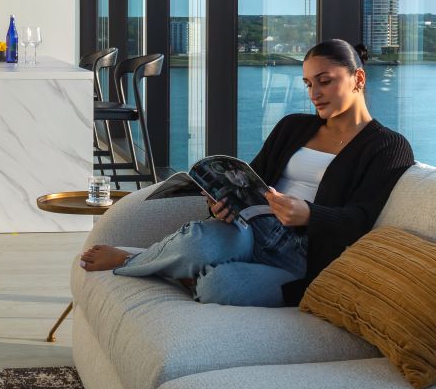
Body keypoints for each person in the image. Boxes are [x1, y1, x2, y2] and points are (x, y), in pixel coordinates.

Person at [78, 40, 414, 306]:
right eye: (309, 83)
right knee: (201, 242)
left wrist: (308, 214)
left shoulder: (388, 146)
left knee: (218, 287)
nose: (314, 93)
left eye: (325, 82)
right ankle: (136, 260)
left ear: (358, 78)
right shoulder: (293, 126)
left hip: (303, 258)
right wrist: (220, 203)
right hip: (252, 229)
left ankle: (153, 263)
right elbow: (252, 177)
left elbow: (364, 221)